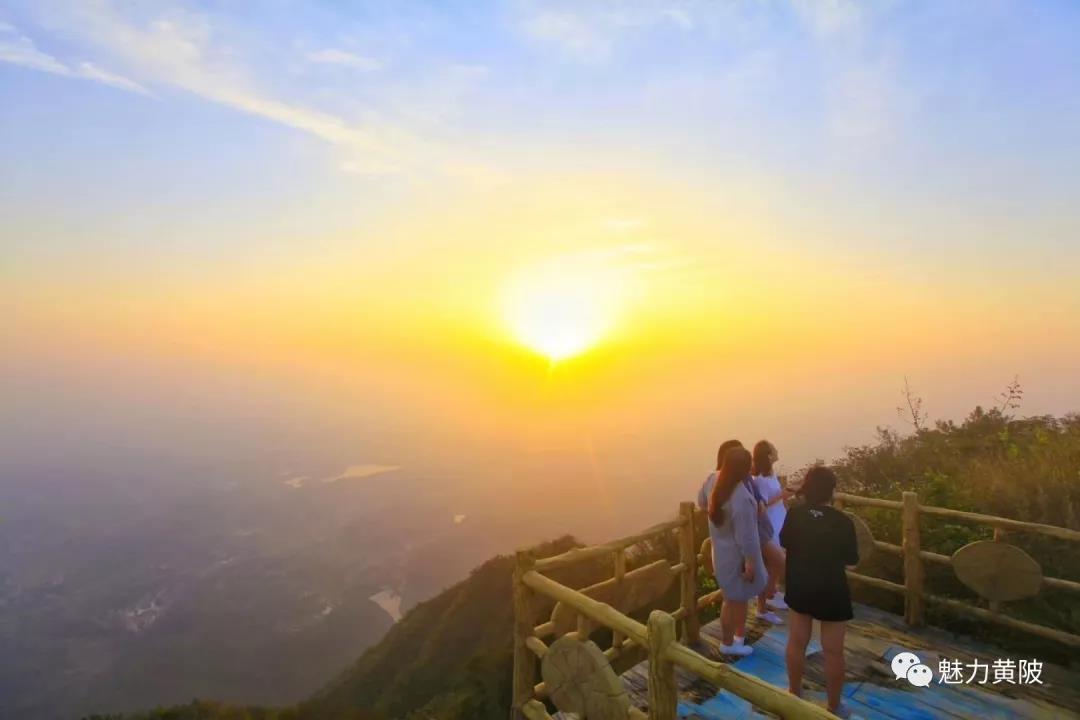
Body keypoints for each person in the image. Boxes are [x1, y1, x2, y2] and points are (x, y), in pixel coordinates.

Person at [780, 465, 858, 718]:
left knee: (797, 641)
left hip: (800, 585)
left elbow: (785, 544)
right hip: (832, 589)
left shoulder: (794, 515)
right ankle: (834, 706)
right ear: (831, 491)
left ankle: (793, 693)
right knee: (833, 651)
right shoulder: (843, 522)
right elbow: (852, 562)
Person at [697, 444, 766, 656]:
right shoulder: (741, 498)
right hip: (737, 557)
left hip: (720, 552)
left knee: (735, 597)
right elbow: (746, 537)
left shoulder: (713, 479)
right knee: (733, 600)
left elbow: (701, 502)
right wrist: (750, 562)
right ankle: (728, 643)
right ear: (744, 471)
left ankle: (738, 639)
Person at [752, 440, 789, 623]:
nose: (776, 450)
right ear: (768, 455)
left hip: (780, 519)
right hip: (771, 523)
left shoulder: (771, 474)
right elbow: (764, 504)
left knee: (776, 562)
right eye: (773, 449)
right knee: (773, 562)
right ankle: (765, 600)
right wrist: (786, 493)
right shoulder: (760, 479)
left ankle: (772, 592)